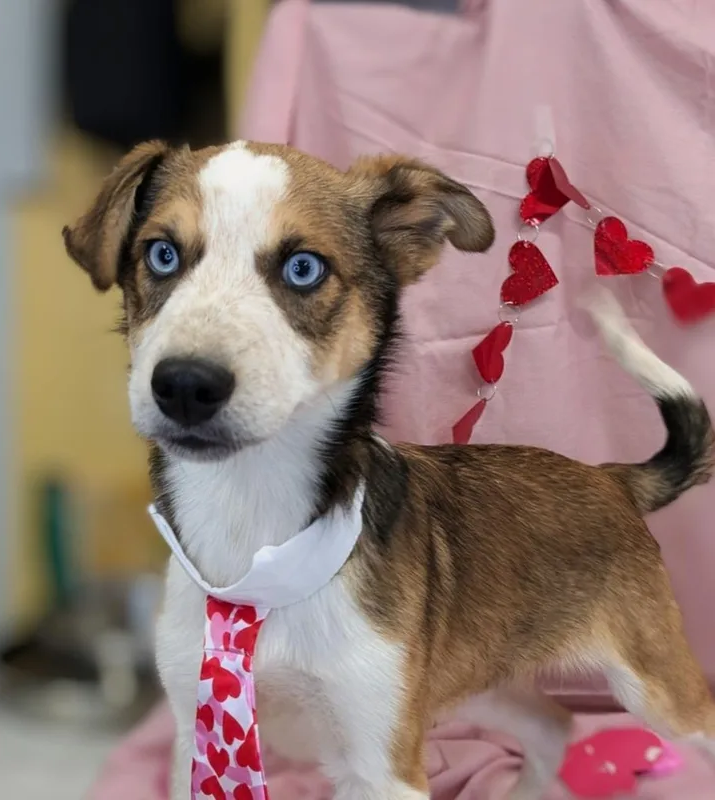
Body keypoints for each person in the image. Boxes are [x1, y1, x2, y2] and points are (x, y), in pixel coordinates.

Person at [91, 2, 715, 796]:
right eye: (166, 254)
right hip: (219, 571)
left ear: (400, 253)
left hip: (528, 546)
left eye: (302, 268)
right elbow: (200, 746)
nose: (195, 358)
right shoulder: (191, 605)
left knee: (668, 706)